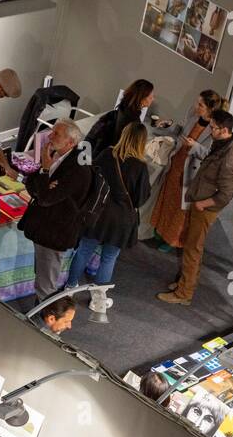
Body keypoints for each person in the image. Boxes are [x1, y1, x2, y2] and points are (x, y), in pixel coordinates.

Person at [157, 109, 233, 305]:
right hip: (199, 203)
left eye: (214, 128)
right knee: (192, 248)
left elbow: (226, 195)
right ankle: (185, 283)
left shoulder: (229, 158)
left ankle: (183, 294)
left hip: (205, 209)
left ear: (224, 130)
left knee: (193, 250)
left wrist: (202, 204)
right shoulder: (221, 145)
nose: (210, 131)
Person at [67, 123, 152, 290]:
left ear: (124, 134)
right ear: (142, 142)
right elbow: (140, 198)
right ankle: (99, 295)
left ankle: (70, 287)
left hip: (98, 212)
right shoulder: (140, 167)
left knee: (84, 251)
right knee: (109, 257)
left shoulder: (107, 154)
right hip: (121, 219)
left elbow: (90, 179)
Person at [20, 118, 92, 299]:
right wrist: (44, 183)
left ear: (70, 142)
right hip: (44, 227)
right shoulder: (55, 155)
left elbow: (44, 198)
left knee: (46, 284)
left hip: (54, 233)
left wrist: (45, 172)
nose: (50, 136)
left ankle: (47, 315)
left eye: (56, 134)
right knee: (42, 276)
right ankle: (41, 310)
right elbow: (31, 185)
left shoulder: (77, 169)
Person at [149, 89, 225, 252]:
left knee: (180, 208)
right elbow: (182, 129)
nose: (196, 106)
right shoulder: (193, 113)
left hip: (192, 170)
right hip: (177, 161)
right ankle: (159, 230)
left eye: (200, 105)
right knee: (167, 198)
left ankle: (171, 240)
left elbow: (211, 155)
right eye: (197, 102)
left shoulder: (216, 128)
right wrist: (169, 125)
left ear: (210, 109)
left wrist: (194, 146)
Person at [86, 79, 158, 156]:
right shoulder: (132, 121)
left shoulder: (124, 107)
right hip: (110, 155)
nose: (153, 99)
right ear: (141, 99)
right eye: (150, 97)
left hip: (99, 150)